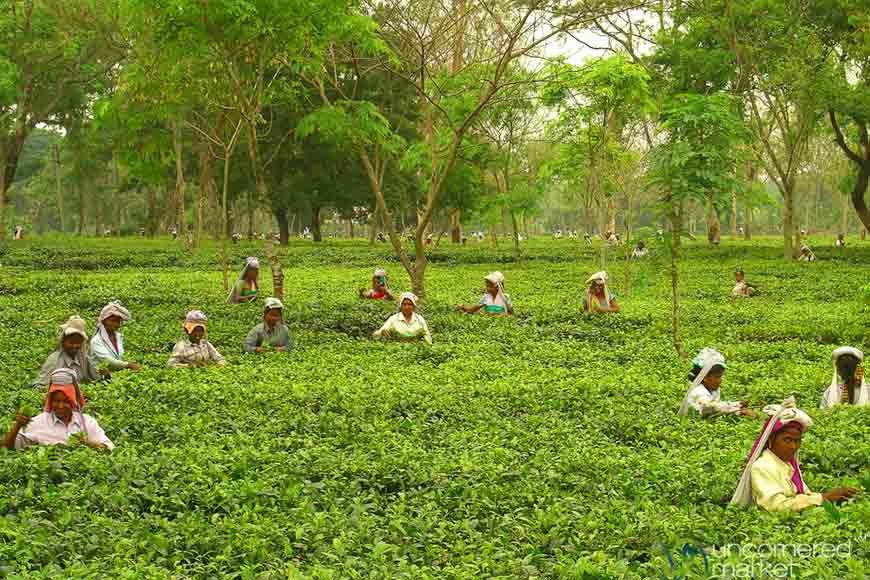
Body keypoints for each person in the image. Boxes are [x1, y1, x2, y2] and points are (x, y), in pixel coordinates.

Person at [730, 397, 858, 512]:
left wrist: (831, 497)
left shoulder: (789, 465)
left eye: (797, 441)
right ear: (771, 440)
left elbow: (803, 496)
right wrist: (823, 498)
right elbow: (777, 506)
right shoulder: (762, 467)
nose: (793, 446)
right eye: (787, 440)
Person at [5, 368, 114, 451]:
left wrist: (86, 443)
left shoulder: (87, 422)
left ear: (73, 401)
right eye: (56, 401)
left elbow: (109, 449)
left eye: (66, 401)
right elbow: (8, 448)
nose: (60, 406)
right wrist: (18, 425)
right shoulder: (39, 422)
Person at [678, 348, 755, 418]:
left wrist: (739, 404)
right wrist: (739, 409)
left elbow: (718, 407)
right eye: (717, 377)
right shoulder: (698, 392)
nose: (720, 380)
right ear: (705, 378)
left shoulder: (712, 389)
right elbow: (713, 408)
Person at [33, 316, 106, 387]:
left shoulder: (83, 358)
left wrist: (104, 375)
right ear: (63, 342)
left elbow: (96, 377)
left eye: (78, 343)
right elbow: (39, 385)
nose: (75, 346)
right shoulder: (54, 360)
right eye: (71, 343)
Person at [90, 301, 142, 373]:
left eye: (118, 321)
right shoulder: (96, 340)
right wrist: (129, 365)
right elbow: (108, 362)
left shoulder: (118, 336)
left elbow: (119, 357)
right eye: (113, 321)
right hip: (98, 377)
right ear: (104, 321)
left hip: (116, 374)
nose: (116, 324)